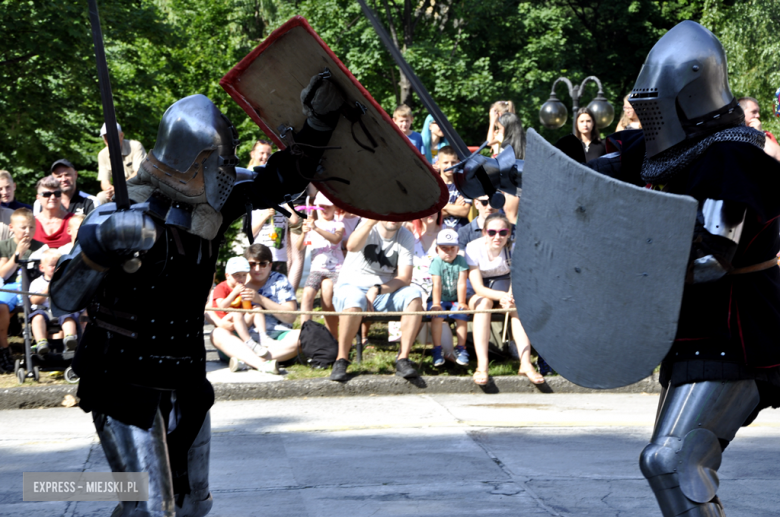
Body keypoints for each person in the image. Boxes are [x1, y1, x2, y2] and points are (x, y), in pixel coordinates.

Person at [50, 76, 344, 517]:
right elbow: (62, 299)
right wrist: (99, 248)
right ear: (192, 162)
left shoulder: (212, 207)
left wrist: (319, 123)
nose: (227, 175)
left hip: (185, 379)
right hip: (123, 379)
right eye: (218, 165)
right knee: (150, 508)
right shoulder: (114, 214)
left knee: (192, 507)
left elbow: (279, 180)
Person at [621, 21, 780, 515]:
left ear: (686, 99)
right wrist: (501, 171)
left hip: (736, 332)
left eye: (656, 108)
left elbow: (712, 259)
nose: (650, 121)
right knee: (666, 462)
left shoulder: (730, 156)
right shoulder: (678, 155)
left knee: (674, 460)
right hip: (698, 331)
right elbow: (599, 168)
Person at [330, 218, 422, 381]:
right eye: (389, 213)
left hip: (383, 292)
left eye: (399, 213)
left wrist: (378, 289)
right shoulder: (368, 225)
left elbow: (405, 278)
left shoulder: (405, 236)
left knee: (414, 295)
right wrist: (371, 220)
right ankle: (342, 359)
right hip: (352, 286)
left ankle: (403, 359)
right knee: (355, 300)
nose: (394, 218)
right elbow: (351, 246)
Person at [465, 212, 542, 386]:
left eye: (502, 232)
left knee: (517, 307)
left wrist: (511, 296)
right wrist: (503, 296)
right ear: (484, 233)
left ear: (508, 233)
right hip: (480, 290)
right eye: (492, 232)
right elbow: (478, 288)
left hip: (505, 287)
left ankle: (525, 363)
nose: (497, 237)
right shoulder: (473, 248)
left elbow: (517, 279)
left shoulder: (514, 248)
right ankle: (482, 365)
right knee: (484, 304)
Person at [211, 244, 301, 373]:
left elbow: (291, 317)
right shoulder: (235, 281)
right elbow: (209, 308)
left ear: (270, 265)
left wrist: (261, 300)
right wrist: (220, 322)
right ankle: (262, 363)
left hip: (275, 338)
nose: (257, 269)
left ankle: (248, 361)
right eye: (252, 264)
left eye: (263, 264)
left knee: (300, 336)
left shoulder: (280, 281)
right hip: (239, 340)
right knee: (217, 333)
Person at [0, 208, 43, 372]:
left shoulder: (40, 247)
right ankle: (4, 349)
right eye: (23, 227)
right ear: (11, 227)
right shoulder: (4, 246)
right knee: (1, 305)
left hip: (32, 287)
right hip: (10, 287)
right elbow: (3, 274)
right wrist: (18, 254)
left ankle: (41, 347)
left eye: (31, 227)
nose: (28, 231)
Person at [297, 191, 344, 337]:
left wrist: (316, 228)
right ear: (316, 207)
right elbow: (299, 247)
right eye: (321, 207)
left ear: (335, 208)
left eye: (328, 207)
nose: (325, 210)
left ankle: (334, 333)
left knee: (329, 299)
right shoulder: (311, 224)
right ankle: (305, 334)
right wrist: (304, 233)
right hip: (316, 269)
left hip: (336, 269)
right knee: (306, 296)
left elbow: (336, 239)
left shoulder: (338, 224)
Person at [210, 256, 270, 353]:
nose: (241, 278)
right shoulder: (221, 287)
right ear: (227, 275)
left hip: (240, 322)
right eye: (237, 275)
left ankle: (263, 337)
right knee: (236, 313)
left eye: (244, 275)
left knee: (257, 308)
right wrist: (234, 293)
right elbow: (222, 306)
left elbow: (245, 309)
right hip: (226, 321)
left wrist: (247, 303)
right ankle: (248, 341)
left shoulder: (243, 288)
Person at [428, 229, 469, 367]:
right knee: (437, 315)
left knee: (461, 313)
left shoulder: (461, 261)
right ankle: (437, 349)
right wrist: (435, 303)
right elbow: (436, 284)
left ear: (458, 249)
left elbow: (462, 282)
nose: (448, 251)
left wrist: (462, 302)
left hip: (455, 299)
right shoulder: (436, 262)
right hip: (438, 299)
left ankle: (461, 348)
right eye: (444, 248)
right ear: (437, 249)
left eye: (452, 248)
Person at [28, 249, 80, 355]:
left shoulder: (66, 281)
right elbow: (33, 300)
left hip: (61, 309)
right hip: (43, 311)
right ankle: (41, 342)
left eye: (58, 265)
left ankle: (70, 338)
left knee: (69, 317)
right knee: (37, 318)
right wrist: (48, 289)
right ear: (42, 268)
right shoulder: (37, 283)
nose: (56, 268)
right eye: (52, 265)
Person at [96, 122, 147, 204]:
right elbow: (104, 181)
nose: (110, 139)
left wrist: (119, 188)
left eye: (113, 135)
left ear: (121, 135)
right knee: (101, 197)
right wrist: (109, 189)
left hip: (138, 186)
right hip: (118, 191)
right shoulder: (102, 154)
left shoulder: (135, 146)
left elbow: (139, 172)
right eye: (106, 137)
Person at [494, 112, 526, 223]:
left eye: (500, 128)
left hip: (511, 187)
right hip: (525, 186)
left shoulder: (506, 145)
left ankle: (513, 240)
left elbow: (501, 168)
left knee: (509, 216)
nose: (498, 131)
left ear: (507, 128)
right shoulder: (526, 142)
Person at [33, 176, 73, 249]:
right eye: (47, 194)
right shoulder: (31, 223)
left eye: (57, 193)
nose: (53, 197)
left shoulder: (73, 221)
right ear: (38, 197)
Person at [438, 146, 471, 232]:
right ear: (438, 163)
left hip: (462, 232)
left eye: (453, 162)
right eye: (445, 162)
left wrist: (441, 207)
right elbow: (432, 215)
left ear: (458, 162)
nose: (450, 166)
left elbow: (464, 211)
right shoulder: (433, 186)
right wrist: (455, 207)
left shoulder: (464, 184)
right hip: (439, 232)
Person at [737, 96, 780, 161]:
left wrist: (760, 134)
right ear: (740, 112)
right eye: (754, 112)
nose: (758, 115)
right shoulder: (729, 136)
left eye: (758, 112)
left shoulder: (767, 135)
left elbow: (778, 156)